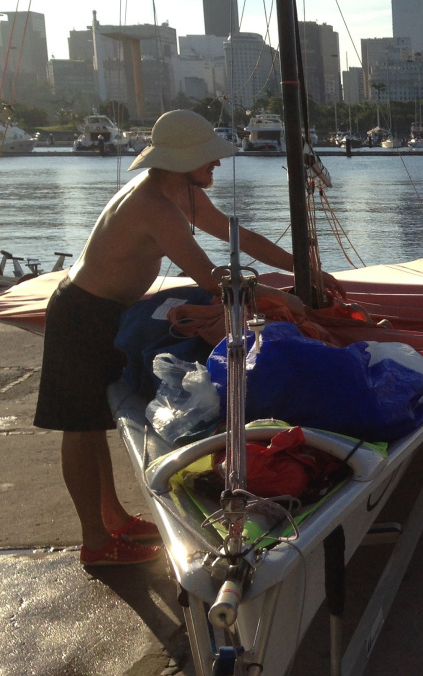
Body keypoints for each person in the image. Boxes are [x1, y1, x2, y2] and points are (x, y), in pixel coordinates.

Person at [34, 109, 345, 567]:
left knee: (93, 422)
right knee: (79, 431)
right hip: (81, 314)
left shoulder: (180, 192)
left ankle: (113, 519)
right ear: (182, 160)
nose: (216, 164)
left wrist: (304, 269)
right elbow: (215, 278)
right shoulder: (155, 208)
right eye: (208, 158)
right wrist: (285, 301)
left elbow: (240, 237)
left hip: (104, 313)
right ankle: (96, 544)